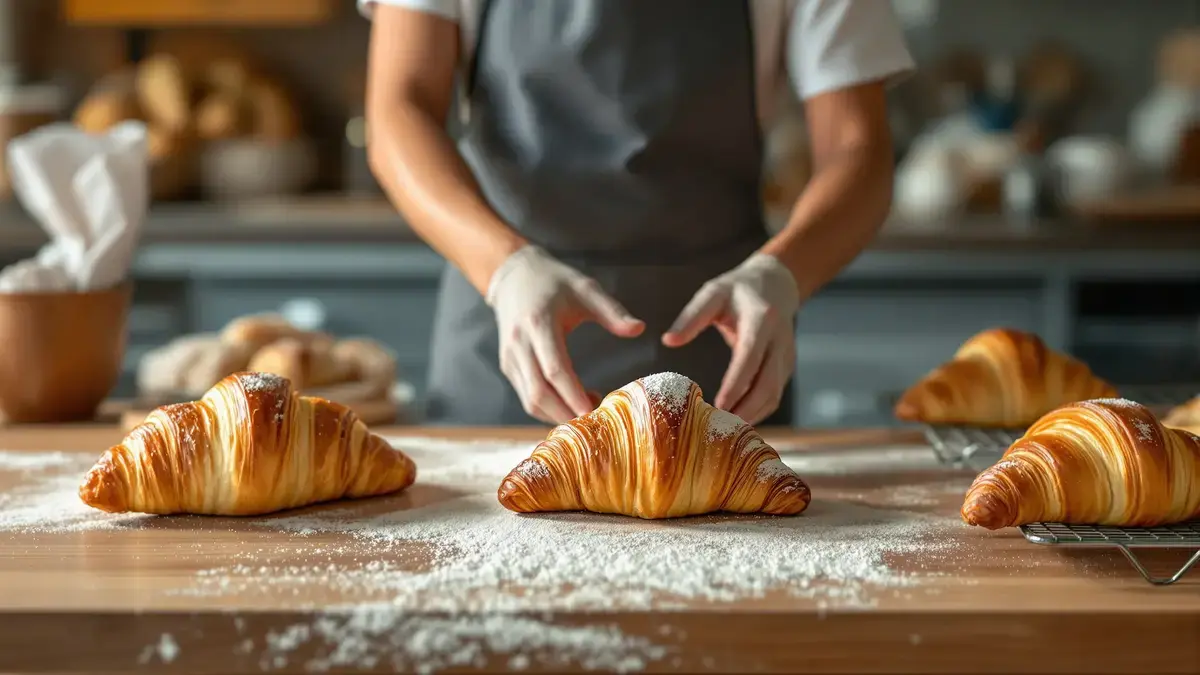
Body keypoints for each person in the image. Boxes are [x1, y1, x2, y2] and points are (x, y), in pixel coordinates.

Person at [361, 0, 914, 426]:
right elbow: (398, 111)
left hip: (718, 359)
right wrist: (506, 270)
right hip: (505, 338)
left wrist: (782, 274)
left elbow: (858, 151)